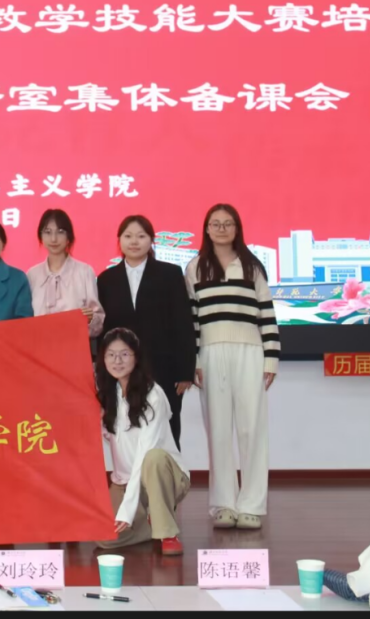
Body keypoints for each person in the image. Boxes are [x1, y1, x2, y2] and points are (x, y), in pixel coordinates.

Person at [185, 203, 278, 531]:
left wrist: (271, 358)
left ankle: (252, 505)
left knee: (252, 429)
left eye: (228, 223)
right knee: (219, 431)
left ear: (237, 228)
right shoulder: (196, 267)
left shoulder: (252, 266)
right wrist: (194, 360)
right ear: (206, 229)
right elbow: (191, 320)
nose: (222, 229)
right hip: (210, 352)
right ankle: (223, 504)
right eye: (215, 223)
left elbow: (267, 314)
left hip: (250, 351)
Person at [97, 215, 197, 448]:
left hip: (163, 368)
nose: (134, 241)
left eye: (141, 236)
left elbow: (183, 323)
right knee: (126, 430)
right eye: (128, 236)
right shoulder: (106, 279)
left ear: (151, 240)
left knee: (166, 429)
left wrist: (185, 371)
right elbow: (104, 331)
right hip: (121, 370)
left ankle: (167, 472)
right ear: (119, 240)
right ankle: (130, 472)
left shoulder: (170, 274)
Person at [96, 327, 190, 556]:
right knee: (104, 539)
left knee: (153, 458)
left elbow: (143, 454)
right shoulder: (107, 394)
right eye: (111, 355)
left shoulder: (153, 395)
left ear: (136, 357)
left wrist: (127, 510)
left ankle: (167, 533)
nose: (117, 361)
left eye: (124, 354)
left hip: (162, 476)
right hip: (125, 482)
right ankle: (152, 524)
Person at [26, 208, 104, 343]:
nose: (53, 239)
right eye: (47, 232)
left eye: (60, 232)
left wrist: (90, 319)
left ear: (69, 237)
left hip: (74, 347)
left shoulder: (84, 271)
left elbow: (98, 321)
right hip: (39, 348)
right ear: (40, 236)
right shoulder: (32, 274)